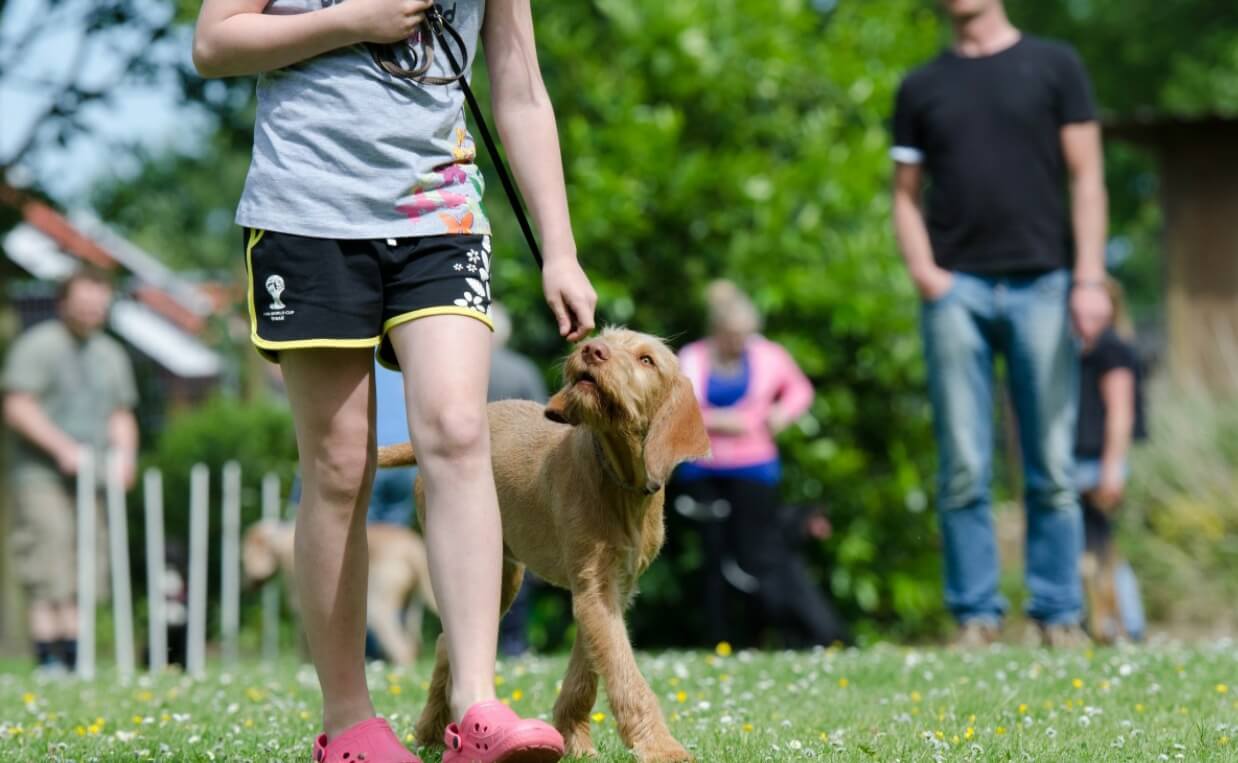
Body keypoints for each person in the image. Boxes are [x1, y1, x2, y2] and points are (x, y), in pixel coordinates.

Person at [193, 0, 596, 760]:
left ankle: (475, 704)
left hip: (439, 214)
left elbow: (519, 83)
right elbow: (215, 44)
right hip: (306, 214)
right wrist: (357, 19)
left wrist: (560, 249)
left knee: (458, 428)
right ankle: (349, 723)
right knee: (342, 464)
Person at [891, 0, 1112, 647]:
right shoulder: (921, 86)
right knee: (963, 462)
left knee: (1050, 460)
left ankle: (1057, 611)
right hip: (955, 290)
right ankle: (976, 616)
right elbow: (904, 193)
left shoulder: (1055, 66)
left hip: (1043, 283)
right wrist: (927, 273)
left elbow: (1089, 175)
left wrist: (1090, 276)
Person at [2, 267, 139, 673]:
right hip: (41, 476)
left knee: (87, 566)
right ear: (64, 303)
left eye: (98, 303)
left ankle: (78, 658)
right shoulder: (37, 346)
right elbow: (17, 405)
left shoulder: (110, 354)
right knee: (49, 562)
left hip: (92, 477)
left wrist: (125, 457)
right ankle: (49, 659)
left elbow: (120, 414)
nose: (91, 310)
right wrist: (62, 447)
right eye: (83, 303)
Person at [675, 281, 817, 646]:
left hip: (754, 469)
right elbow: (674, 407)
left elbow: (801, 390)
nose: (739, 341)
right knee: (713, 558)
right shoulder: (692, 357)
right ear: (717, 330)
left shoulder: (769, 356)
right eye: (732, 334)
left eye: (744, 334)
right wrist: (720, 421)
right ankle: (720, 639)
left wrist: (780, 414)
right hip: (703, 471)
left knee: (759, 557)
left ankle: (778, 635)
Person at [1074, 278, 1146, 643]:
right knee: (1091, 551)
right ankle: (1105, 625)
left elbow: (1121, 413)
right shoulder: (1086, 351)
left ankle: (1126, 625)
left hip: (1094, 464)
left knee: (1103, 552)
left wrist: (1111, 468)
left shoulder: (1111, 349)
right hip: (1082, 461)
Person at [485, 302, 548, 657]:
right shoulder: (522, 369)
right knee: (516, 557)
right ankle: (514, 643)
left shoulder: (457, 368)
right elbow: (544, 422)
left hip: (472, 473)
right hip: (517, 477)